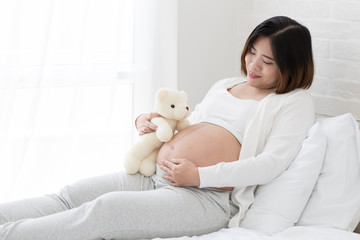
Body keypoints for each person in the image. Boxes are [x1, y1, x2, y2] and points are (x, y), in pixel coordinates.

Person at [0, 16, 315, 240]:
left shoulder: (292, 102)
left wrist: (198, 175)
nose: (253, 66)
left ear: (291, 66)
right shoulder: (227, 85)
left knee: (106, 211)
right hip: (155, 176)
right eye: (251, 52)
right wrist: (151, 123)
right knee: (69, 195)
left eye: (268, 61)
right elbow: (188, 125)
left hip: (203, 198)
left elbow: (270, 165)